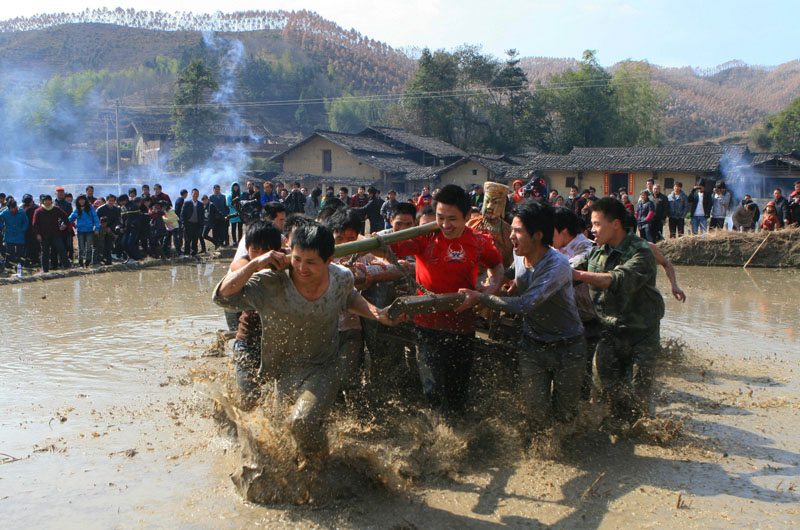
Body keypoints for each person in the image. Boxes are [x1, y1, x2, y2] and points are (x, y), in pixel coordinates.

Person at [213, 221, 395, 460]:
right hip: (283, 368)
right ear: (290, 252)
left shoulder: (340, 277)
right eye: (297, 259)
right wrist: (256, 263)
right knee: (279, 433)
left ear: (329, 260)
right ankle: (309, 465)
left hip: (322, 366)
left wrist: (375, 312)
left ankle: (321, 471)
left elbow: (348, 297)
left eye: (311, 262)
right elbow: (222, 296)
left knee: (301, 422)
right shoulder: (272, 281)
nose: (302, 268)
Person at [458, 201, 585, 430]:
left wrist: (482, 298)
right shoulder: (519, 253)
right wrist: (499, 283)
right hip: (533, 344)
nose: (511, 237)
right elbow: (513, 270)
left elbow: (526, 304)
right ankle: (539, 454)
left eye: (517, 231)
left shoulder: (557, 265)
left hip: (567, 346)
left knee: (565, 413)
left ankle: (565, 453)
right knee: (535, 409)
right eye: (512, 230)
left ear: (537, 235)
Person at [390, 184, 504, 419]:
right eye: (440, 217)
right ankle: (441, 436)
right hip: (427, 326)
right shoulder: (425, 237)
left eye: (452, 219)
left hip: (462, 327)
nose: (445, 225)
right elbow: (391, 249)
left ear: (466, 217)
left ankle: (459, 435)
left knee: (457, 392)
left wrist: (491, 287)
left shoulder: (479, 241)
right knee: (433, 390)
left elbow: (497, 265)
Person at [573, 197, 665, 426]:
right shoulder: (596, 252)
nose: (592, 229)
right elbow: (569, 271)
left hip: (641, 335)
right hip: (610, 332)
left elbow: (618, 279)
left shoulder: (641, 251)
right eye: (591, 224)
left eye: (597, 224)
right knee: (604, 390)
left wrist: (580, 276)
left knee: (638, 396)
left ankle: (641, 433)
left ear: (615, 224)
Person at [465, 181, 513, 267]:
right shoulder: (471, 224)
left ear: (503, 205)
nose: (489, 207)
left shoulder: (508, 231)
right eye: (487, 202)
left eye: (495, 203)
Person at [32, 195, 70, 273]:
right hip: (44, 235)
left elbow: (65, 217)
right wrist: (37, 234)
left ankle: (67, 266)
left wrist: (64, 225)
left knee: (61, 249)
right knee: (45, 252)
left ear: (51, 201)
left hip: (56, 234)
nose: (47, 202)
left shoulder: (56, 209)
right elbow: (35, 224)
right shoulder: (39, 211)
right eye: (46, 201)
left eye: (49, 200)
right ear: (43, 202)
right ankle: (45, 269)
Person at [68, 194, 101, 267]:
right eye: (80, 200)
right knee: (81, 247)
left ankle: (87, 262)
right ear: (78, 201)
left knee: (89, 247)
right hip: (80, 231)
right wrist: (63, 224)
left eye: (83, 199)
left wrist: (97, 228)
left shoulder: (90, 208)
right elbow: (71, 218)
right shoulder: (77, 209)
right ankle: (80, 262)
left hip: (89, 230)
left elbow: (95, 218)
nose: (82, 201)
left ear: (85, 200)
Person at [0, 199, 28, 269]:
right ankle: (8, 266)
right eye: (10, 208)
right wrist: (2, 227)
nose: (11, 210)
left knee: (20, 252)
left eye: (12, 208)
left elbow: (26, 222)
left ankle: (19, 266)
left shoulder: (21, 212)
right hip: (9, 234)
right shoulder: (5, 212)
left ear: (15, 206)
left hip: (19, 234)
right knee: (9, 251)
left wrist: (23, 230)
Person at [181, 189, 204, 256]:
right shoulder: (187, 203)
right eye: (194, 194)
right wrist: (184, 223)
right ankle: (187, 253)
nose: (195, 195)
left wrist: (201, 224)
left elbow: (202, 215)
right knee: (187, 240)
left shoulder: (200, 204)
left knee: (195, 239)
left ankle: (194, 253)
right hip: (188, 224)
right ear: (191, 194)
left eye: (197, 194)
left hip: (197, 224)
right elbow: (182, 214)